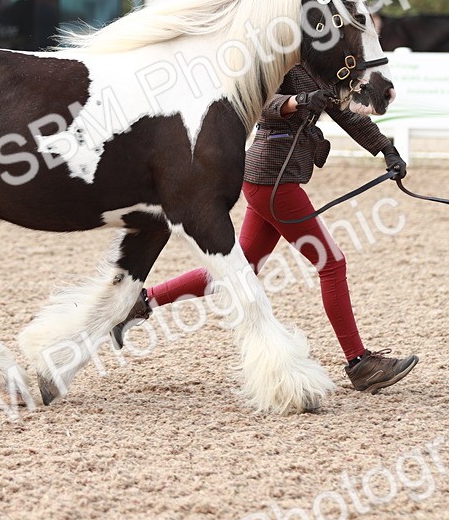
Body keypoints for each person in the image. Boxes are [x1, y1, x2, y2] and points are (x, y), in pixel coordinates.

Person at [112, 61, 419, 394]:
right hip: (275, 181)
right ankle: (359, 363)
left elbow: (346, 114)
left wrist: (385, 149)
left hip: (274, 180)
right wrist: (298, 101)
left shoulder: (322, 66)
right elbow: (262, 105)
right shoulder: (281, 59)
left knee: (244, 264)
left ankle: (142, 302)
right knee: (332, 263)